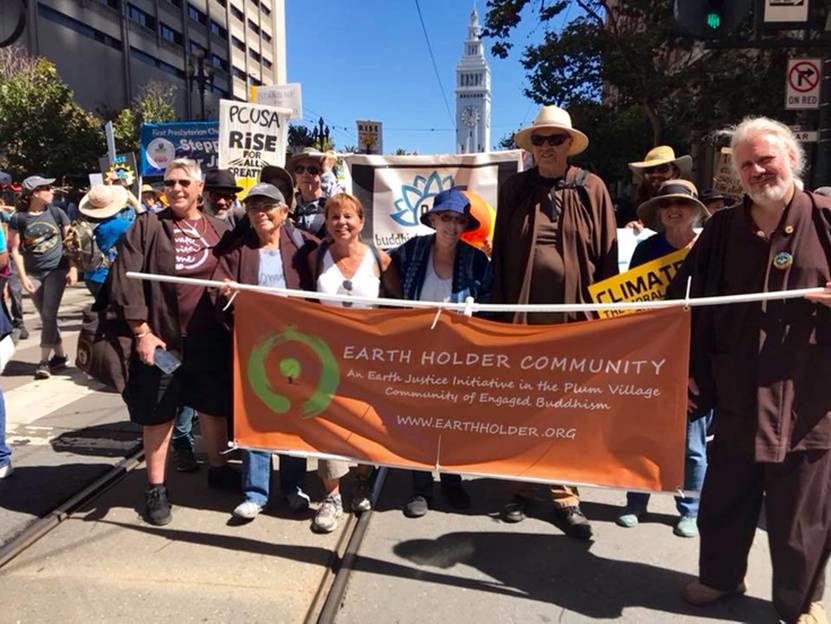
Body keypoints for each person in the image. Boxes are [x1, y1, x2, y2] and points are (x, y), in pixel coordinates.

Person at [671, 117, 831, 624]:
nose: (758, 170)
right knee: (727, 495)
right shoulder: (722, 229)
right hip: (738, 389)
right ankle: (720, 577)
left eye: (766, 159)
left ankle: (801, 600)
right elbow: (682, 300)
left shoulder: (826, 216)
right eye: (746, 164)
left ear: (792, 158)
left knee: (800, 513)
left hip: (809, 395)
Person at [489, 104, 618, 541]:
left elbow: (608, 258)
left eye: (554, 140)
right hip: (522, 317)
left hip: (574, 318)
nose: (546, 147)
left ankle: (565, 495)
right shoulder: (514, 189)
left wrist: (607, 316)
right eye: (539, 140)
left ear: (568, 145)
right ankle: (521, 487)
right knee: (523, 402)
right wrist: (497, 314)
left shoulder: (593, 188)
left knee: (568, 407)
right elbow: (501, 253)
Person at [107, 158, 236, 526]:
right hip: (162, 340)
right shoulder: (147, 226)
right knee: (159, 414)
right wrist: (142, 332)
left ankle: (218, 467)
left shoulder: (219, 229)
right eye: (169, 182)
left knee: (212, 408)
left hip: (208, 337)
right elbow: (126, 280)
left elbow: (234, 272)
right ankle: (156, 487)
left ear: (199, 189)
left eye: (183, 182)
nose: (176, 189)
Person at [215, 182, 319, 520]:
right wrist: (225, 292)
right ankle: (255, 492)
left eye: (268, 206)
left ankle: (294, 487)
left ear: (284, 212)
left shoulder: (304, 246)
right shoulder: (238, 249)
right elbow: (218, 287)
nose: (260, 213)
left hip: (299, 348)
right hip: (254, 347)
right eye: (254, 206)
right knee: (256, 419)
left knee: (292, 418)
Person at [614, 179, 711, 537]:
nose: (674, 210)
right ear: (658, 211)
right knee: (642, 433)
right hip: (653, 353)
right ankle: (636, 502)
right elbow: (630, 302)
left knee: (691, 444)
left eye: (682, 205)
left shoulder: (710, 248)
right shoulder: (647, 249)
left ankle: (690, 509)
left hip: (697, 356)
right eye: (667, 204)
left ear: (695, 211)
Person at [390, 187, 489, 518]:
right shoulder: (410, 250)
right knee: (418, 419)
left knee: (453, 420)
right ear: (432, 219)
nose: (452, 226)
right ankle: (420, 487)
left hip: (458, 354)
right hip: (416, 350)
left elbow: (489, 303)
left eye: (459, 220)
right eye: (446, 218)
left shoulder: (476, 259)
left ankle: (451, 480)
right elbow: (382, 273)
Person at [308, 192, 400, 533]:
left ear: (361, 221)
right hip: (326, 355)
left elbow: (397, 303)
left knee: (364, 422)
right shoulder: (317, 257)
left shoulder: (380, 258)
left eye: (348, 216)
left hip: (368, 357)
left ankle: (362, 479)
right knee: (327, 424)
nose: (341, 223)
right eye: (334, 217)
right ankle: (331, 495)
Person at [8, 176, 77, 379]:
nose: (52, 191)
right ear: (35, 193)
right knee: (47, 317)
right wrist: (22, 276)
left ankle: (44, 362)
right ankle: (60, 356)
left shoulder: (57, 212)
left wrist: (72, 268)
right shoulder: (19, 218)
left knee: (48, 314)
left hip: (56, 270)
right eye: (47, 188)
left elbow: (70, 243)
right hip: (33, 273)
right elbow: (15, 249)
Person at [76, 184, 137, 299]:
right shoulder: (115, 225)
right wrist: (136, 204)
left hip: (91, 275)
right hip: (106, 276)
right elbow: (146, 224)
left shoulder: (88, 223)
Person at [625, 146, 693, 232]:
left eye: (663, 169)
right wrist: (629, 229)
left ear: (675, 172)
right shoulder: (631, 207)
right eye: (649, 170)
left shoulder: (691, 200)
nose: (656, 175)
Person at [289, 148, 336, 238]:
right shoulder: (290, 207)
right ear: (295, 175)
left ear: (322, 174)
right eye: (300, 169)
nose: (305, 174)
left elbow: (344, 207)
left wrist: (327, 172)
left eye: (312, 170)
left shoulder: (331, 203)